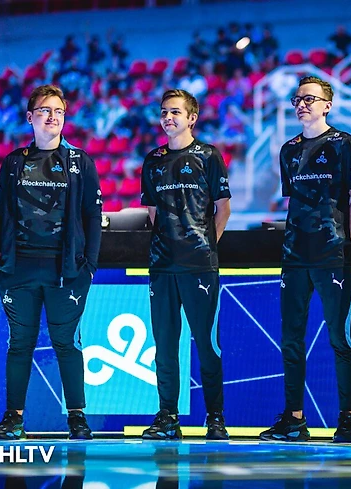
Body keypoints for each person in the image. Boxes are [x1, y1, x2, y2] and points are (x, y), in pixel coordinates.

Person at [0, 84, 103, 440]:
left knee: (66, 343)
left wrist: (89, 267)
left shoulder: (80, 162)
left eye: (58, 111)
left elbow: (92, 216)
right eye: (44, 110)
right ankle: (14, 418)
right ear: (30, 117)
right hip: (18, 269)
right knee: (19, 344)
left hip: (65, 271)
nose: (52, 117)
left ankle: (77, 418)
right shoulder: (14, 162)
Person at [259, 76, 351, 443]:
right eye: (297, 99)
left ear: (327, 105)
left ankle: (347, 419)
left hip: (332, 255)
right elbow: (295, 201)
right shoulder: (288, 149)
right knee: (291, 338)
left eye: (310, 99)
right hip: (294, 256)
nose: (302, 104)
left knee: (340, 338)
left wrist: (342, 244)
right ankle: (294, 419)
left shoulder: (343, 144)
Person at [140, 89, 232, 440]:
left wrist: (205, 246)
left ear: (192, 118)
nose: (168, 117)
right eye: (164, 112)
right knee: (165, 345)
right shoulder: (153, 160)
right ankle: (168, 417)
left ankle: (215, 418)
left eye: (175, 112)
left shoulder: (209, 156)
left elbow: (223, 208)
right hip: (162, 266)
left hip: (200, 266)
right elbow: (152, 213)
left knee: (207, 344)